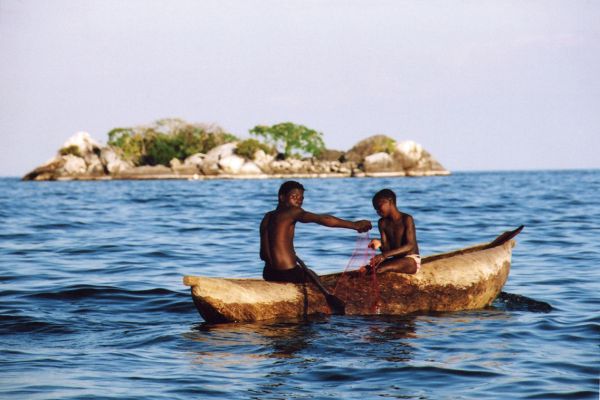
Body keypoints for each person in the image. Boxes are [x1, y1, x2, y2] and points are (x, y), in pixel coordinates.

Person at [260, 180, 372, 284]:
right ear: (282, 197)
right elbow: (324, 219)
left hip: (268, 273)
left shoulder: (267, 217)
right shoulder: (293, 211)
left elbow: (263, 255)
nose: (298, 201)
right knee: (313, 276)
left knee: (309, 273)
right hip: (288, 273)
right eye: (294, 197)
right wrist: (354, 225)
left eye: (301, 198)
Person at [365, 188, 420, 274]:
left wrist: (383, 255)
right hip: (395, 259)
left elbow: (410, 246)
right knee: (367, 269)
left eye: (379, 207)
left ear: (390, 202)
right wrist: (379, 244)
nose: (378, 211)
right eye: (376, 209)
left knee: (379, 269)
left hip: (411, 260)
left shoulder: (407, 219)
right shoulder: (382, 223)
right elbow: (386, 249)